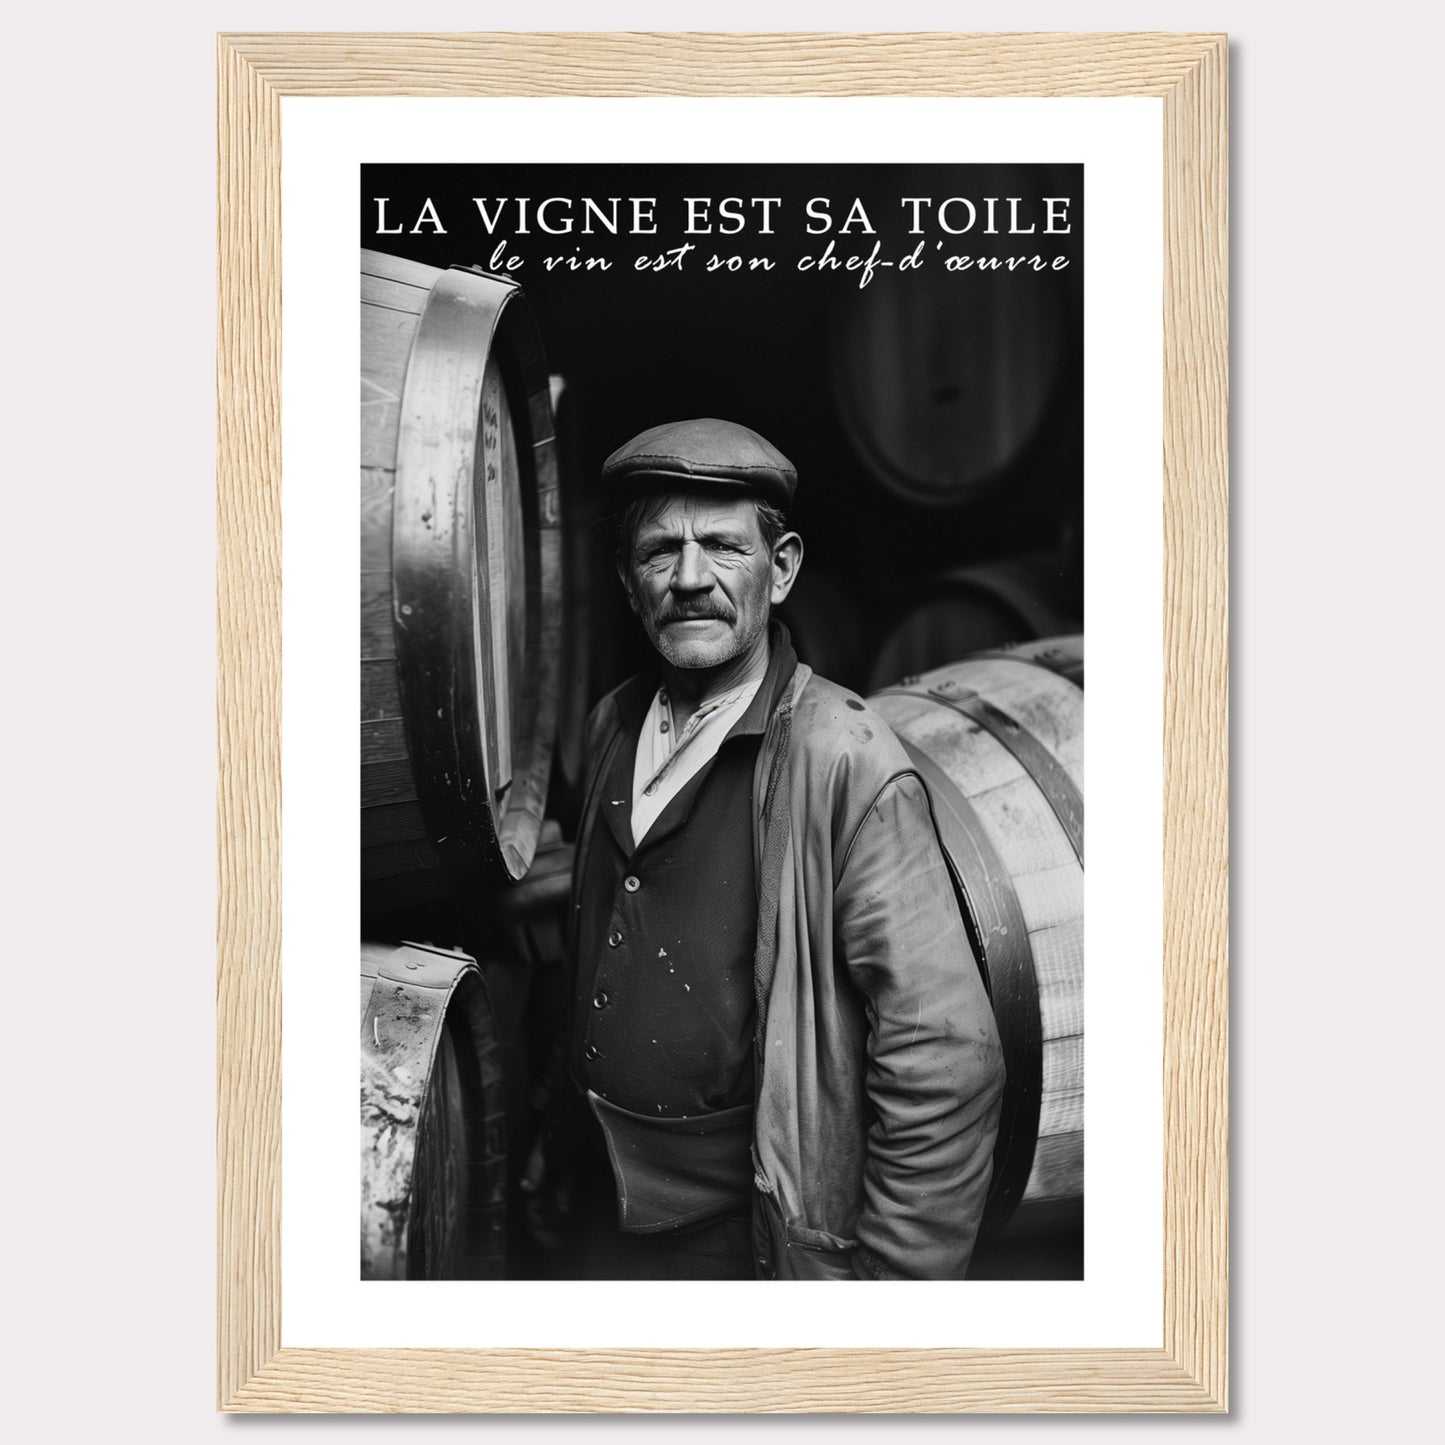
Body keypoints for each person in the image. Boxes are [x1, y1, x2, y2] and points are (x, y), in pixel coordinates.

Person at [552, 417, 1005, 1280]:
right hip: (592, 1217)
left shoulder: (842, 756)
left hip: (743, 1242)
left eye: (723, 547)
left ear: (782, 567)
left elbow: (946, 1057)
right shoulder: (610, 722)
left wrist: (891, 1301)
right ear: (625, 577)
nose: (689, 579)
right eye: (659, 551)